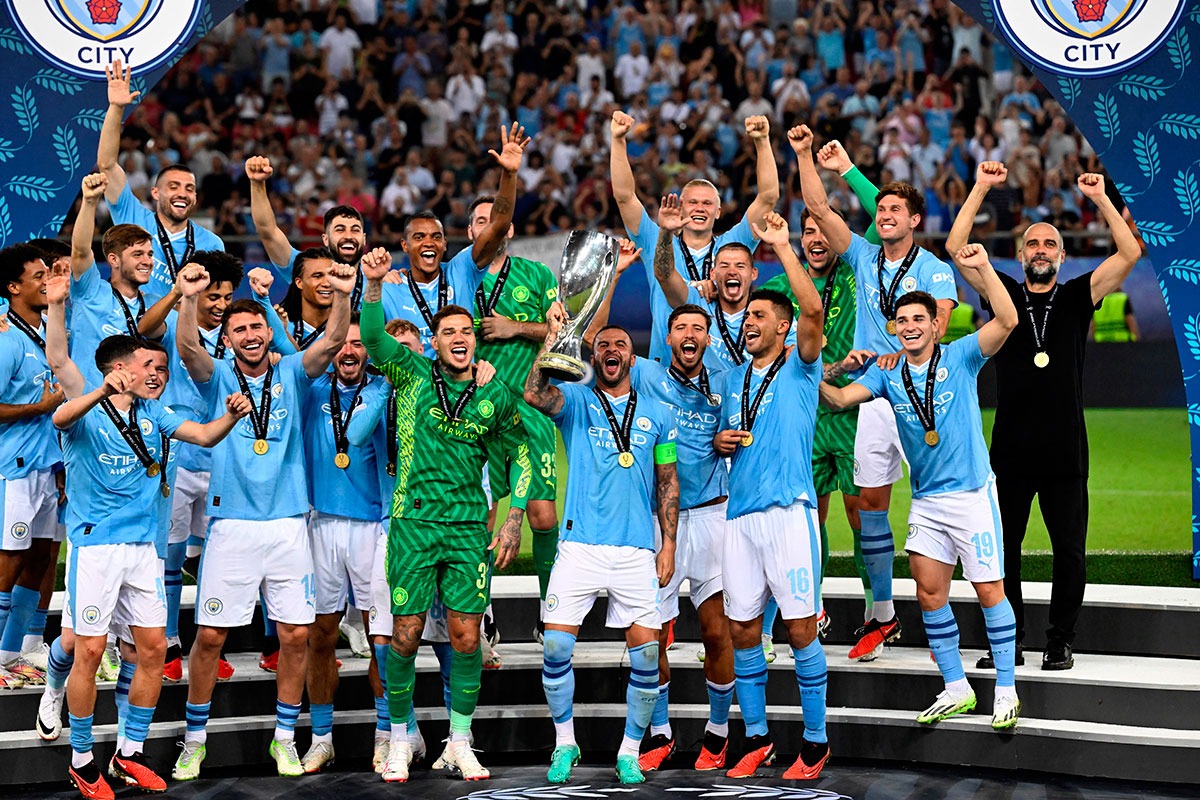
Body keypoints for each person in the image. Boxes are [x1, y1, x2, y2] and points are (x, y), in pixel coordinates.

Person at [46, 257, 249, 796]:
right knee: (88, 651)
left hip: (142, 548)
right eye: (147, 367)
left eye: (160, 368)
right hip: (95, 546)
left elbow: (203, 437)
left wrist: (231, 414)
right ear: (121, 370)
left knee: (154, 650)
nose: (157, 374)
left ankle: (128, 753)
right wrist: (99, 389)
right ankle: (83, 758)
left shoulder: (155, 414)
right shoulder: (86, 407)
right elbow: (60, 419)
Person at [818, 244, 1023, 730]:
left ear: (936, 325)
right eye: (901, 319)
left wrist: (984, 270)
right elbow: (841, 398)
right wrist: (818, 370)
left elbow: (1009, 321)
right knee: (930, 594)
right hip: (928, 502)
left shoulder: (962, 356)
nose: (908, 325)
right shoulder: (886, 376)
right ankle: (956, 686)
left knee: (990, 590)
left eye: (918, 318)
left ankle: (1008, 691)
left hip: (972, 497)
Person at [946, 163, 1141, 670]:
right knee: (1002, 553)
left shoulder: (1079, 296)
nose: (1040, 252)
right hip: (1010, 450)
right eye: (1033, 244)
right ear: (1020, 254)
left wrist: (1099, 199)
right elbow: (955, 245)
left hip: (1064, 452)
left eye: (1049, 245)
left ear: (1061, 255)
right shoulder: (1003, 293)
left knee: (1069, 554)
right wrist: (983, 187)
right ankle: (1008, 640)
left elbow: (1130, 253)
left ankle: (1060, 640)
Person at [170, 258, 355, 781]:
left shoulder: (292, 371)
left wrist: (341, 293)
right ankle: (194, 739)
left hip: (289, 524)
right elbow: (186, 348)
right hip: (231, 526)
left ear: (267, 331)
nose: (250, 335)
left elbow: (333, 338)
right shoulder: (218, 374)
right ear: (226, 339)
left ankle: (283, 739)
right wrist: (188, 297)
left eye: (256, 326)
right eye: (239, 329)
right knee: (209, 638)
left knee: (296, 636)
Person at [359, 249, 531, 783]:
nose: (459, 338)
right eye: (449, 332)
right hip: (412, 524)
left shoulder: (494, 391)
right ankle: (400, 740)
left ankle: (459, 741)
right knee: (405, 634)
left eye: (467, 331)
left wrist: (512, 517)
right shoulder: (411, 373)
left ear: (476, 341)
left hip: (465, 529)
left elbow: (522, 453)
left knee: (464, 636)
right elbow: (371, 340)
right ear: (435, 343)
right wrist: (370, 286)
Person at [794, 126, 958, 662]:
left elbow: (941, 323)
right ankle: (883, 617)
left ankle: (944, 627)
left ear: (914, 221)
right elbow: (818, 207)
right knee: (869, 506)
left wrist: (905, 353)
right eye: (880, 207)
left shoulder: (934, 268)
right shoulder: (863, 256)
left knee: (945, 503)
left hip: (925, 392)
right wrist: (807, 157)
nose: (885, 213)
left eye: (896, 209)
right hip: (872, 395)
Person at [524, 317, 679, 786]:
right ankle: (564, 742)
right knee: (555, 647)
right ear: (594, 359)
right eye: (604, 345)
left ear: (631, 358)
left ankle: (630, 750)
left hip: (636, 550)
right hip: (580, 546)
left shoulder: (660, 413)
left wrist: (668, 544)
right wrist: (551, 344)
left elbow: (668, 482)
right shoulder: (577, 401)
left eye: (621, 345)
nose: (612, 350)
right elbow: (534, 392)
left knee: (648, 658)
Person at [711, 212, 829, 780]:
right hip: (740, 517)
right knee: (742, 631)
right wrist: (719, 439)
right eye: (748, 316)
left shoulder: (804, 367)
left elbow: (813, 311)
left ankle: (815, 740)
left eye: (759, 315)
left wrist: (782, 246)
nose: (749, 321)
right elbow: (730, 434)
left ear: (782, 326)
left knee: (801, 628)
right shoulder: (735, 377)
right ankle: (757, 737)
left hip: (788, 514)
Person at [759, 146, 884, 632]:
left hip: (854, 414)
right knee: (806, 517)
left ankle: (878, 612)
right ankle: (812, 607)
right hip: (806, 415)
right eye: (807, 231)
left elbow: (882, 211)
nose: (816, 239)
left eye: (822, 231)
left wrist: (847, 169)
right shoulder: (781, 289)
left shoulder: (858, 266)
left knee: (861, 516)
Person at [626, 300, 736, 774]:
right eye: (681, 327)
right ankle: (661, 733)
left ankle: (718, 732)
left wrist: (726, 440)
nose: (690, 334)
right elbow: (598, 346)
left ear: (707, 340)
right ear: (667, 338)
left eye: (698, 328)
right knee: (650, 638)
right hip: (659, 521)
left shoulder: (726, 381)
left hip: (713, 516)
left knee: (716, 631)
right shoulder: (647, 375)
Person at [136, 251, 244, 682]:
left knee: (214, 560)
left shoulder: (238, 335)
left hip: (221, 459)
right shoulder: (169, 331)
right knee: (171, 557)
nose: (219, 304)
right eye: (213, 295)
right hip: (177, 460)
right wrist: (183, 292)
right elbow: (141, 328)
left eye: (225, 297)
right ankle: (168, 643)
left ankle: (206, 645)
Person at [298, 306, 393, 773]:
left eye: (359, 343)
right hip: (321, 526)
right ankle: (320, 738)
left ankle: (385, 734)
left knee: (382, 637)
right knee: (320, 636)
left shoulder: (384, 391)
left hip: (373, 526)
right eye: (342, 343)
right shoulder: (311, 391)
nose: (350, 350)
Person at [464, 195, 562, 639]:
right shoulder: (459, 277)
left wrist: (515, 328)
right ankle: (482, 612)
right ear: (471, 232)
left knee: (541, 514)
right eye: (480, 221)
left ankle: (549, 609)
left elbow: (562, 329)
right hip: (475, 412)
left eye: (496, 221)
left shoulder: (537, 275)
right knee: (482, 514)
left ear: (510, 230)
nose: (489, 227)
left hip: (529, 406)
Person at [610, 111, 779, 364]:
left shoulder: (733, 247)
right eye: (693, 202)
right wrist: (619, 140)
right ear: (681, 208)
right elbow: (624, 197)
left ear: (718, 211)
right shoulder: (657, 239)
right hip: (666, 371)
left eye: (707, 203)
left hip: (721, 375)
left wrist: (762, 141)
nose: (700, 208)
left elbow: (767, 198)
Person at [384, 124, 529, 354]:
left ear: (444, 244)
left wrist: (509, 175)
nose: (428, 242)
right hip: (411, 389)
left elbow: (498, 225)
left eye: (436, 237)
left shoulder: (461, 270)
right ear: (405, 245)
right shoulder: (388, 288)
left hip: (459, 386)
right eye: (419, 237)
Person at [98, 62, 224, 302]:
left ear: (195, 197)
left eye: (189, 189)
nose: (182, 193)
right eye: (173, 186)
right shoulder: (133, 217)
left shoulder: (211, 243)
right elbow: (107, 165)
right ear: (155, 192)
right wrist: (115, 108)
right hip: (130, 325)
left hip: (178, 334)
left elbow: (213, 300)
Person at [0, 244, 64, 688]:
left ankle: (14, 651)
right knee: (9, 564)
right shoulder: (5, 338)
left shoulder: (47, 330)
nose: (46, 281)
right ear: (13, 287)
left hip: (47, 464)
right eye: (38, 276)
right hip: (14, 468)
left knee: (42, 558)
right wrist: (39, 407)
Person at [67, 174, 155, 390]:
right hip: (90, 408)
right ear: (113, 259)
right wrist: (89, 202)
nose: (147, 261)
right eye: (137, 254)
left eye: (150, 254)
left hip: (135, 410)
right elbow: (80, 251)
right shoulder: (91, 291)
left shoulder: (155, 304)